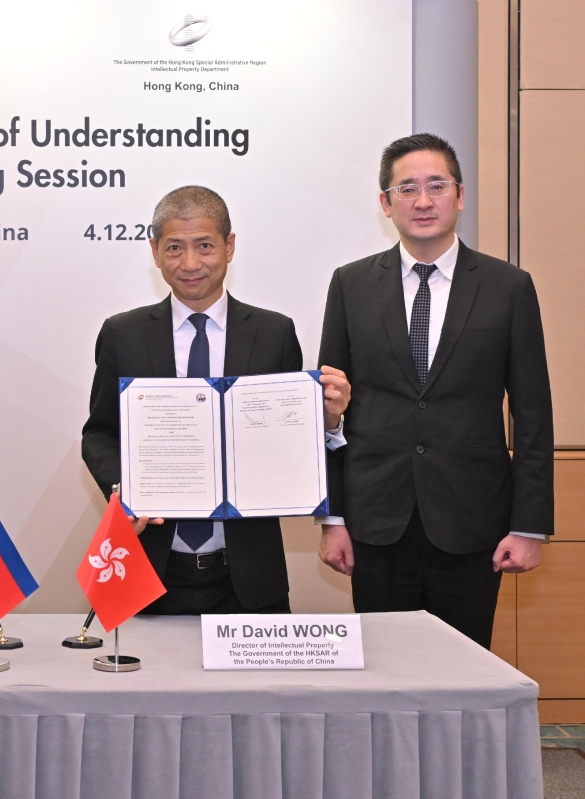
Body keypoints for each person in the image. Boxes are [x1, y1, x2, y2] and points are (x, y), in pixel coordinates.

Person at [318, 133, 554, 648]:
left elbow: (533, 415)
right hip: (375, 523)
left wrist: (529, 526)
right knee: (383, 672)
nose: (422, 201)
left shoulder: (509, 287)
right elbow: (328, 411)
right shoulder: (351, 285)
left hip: (474, 523)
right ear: (386, 204)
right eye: (407, 189)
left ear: (460, 195)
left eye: (436, 186)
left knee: (464, 673)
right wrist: (332, 517)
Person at [82, 186, 351, 615]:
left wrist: (329, 422)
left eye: (205, 246)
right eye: (174, 247)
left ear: (229, 246)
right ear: (155, 252)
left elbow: (292, 446)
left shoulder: (274, 333)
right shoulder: (122, 334)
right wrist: (124, 490)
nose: (190, 263)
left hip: (249, 574)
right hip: (150, 568)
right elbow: (99, 433)